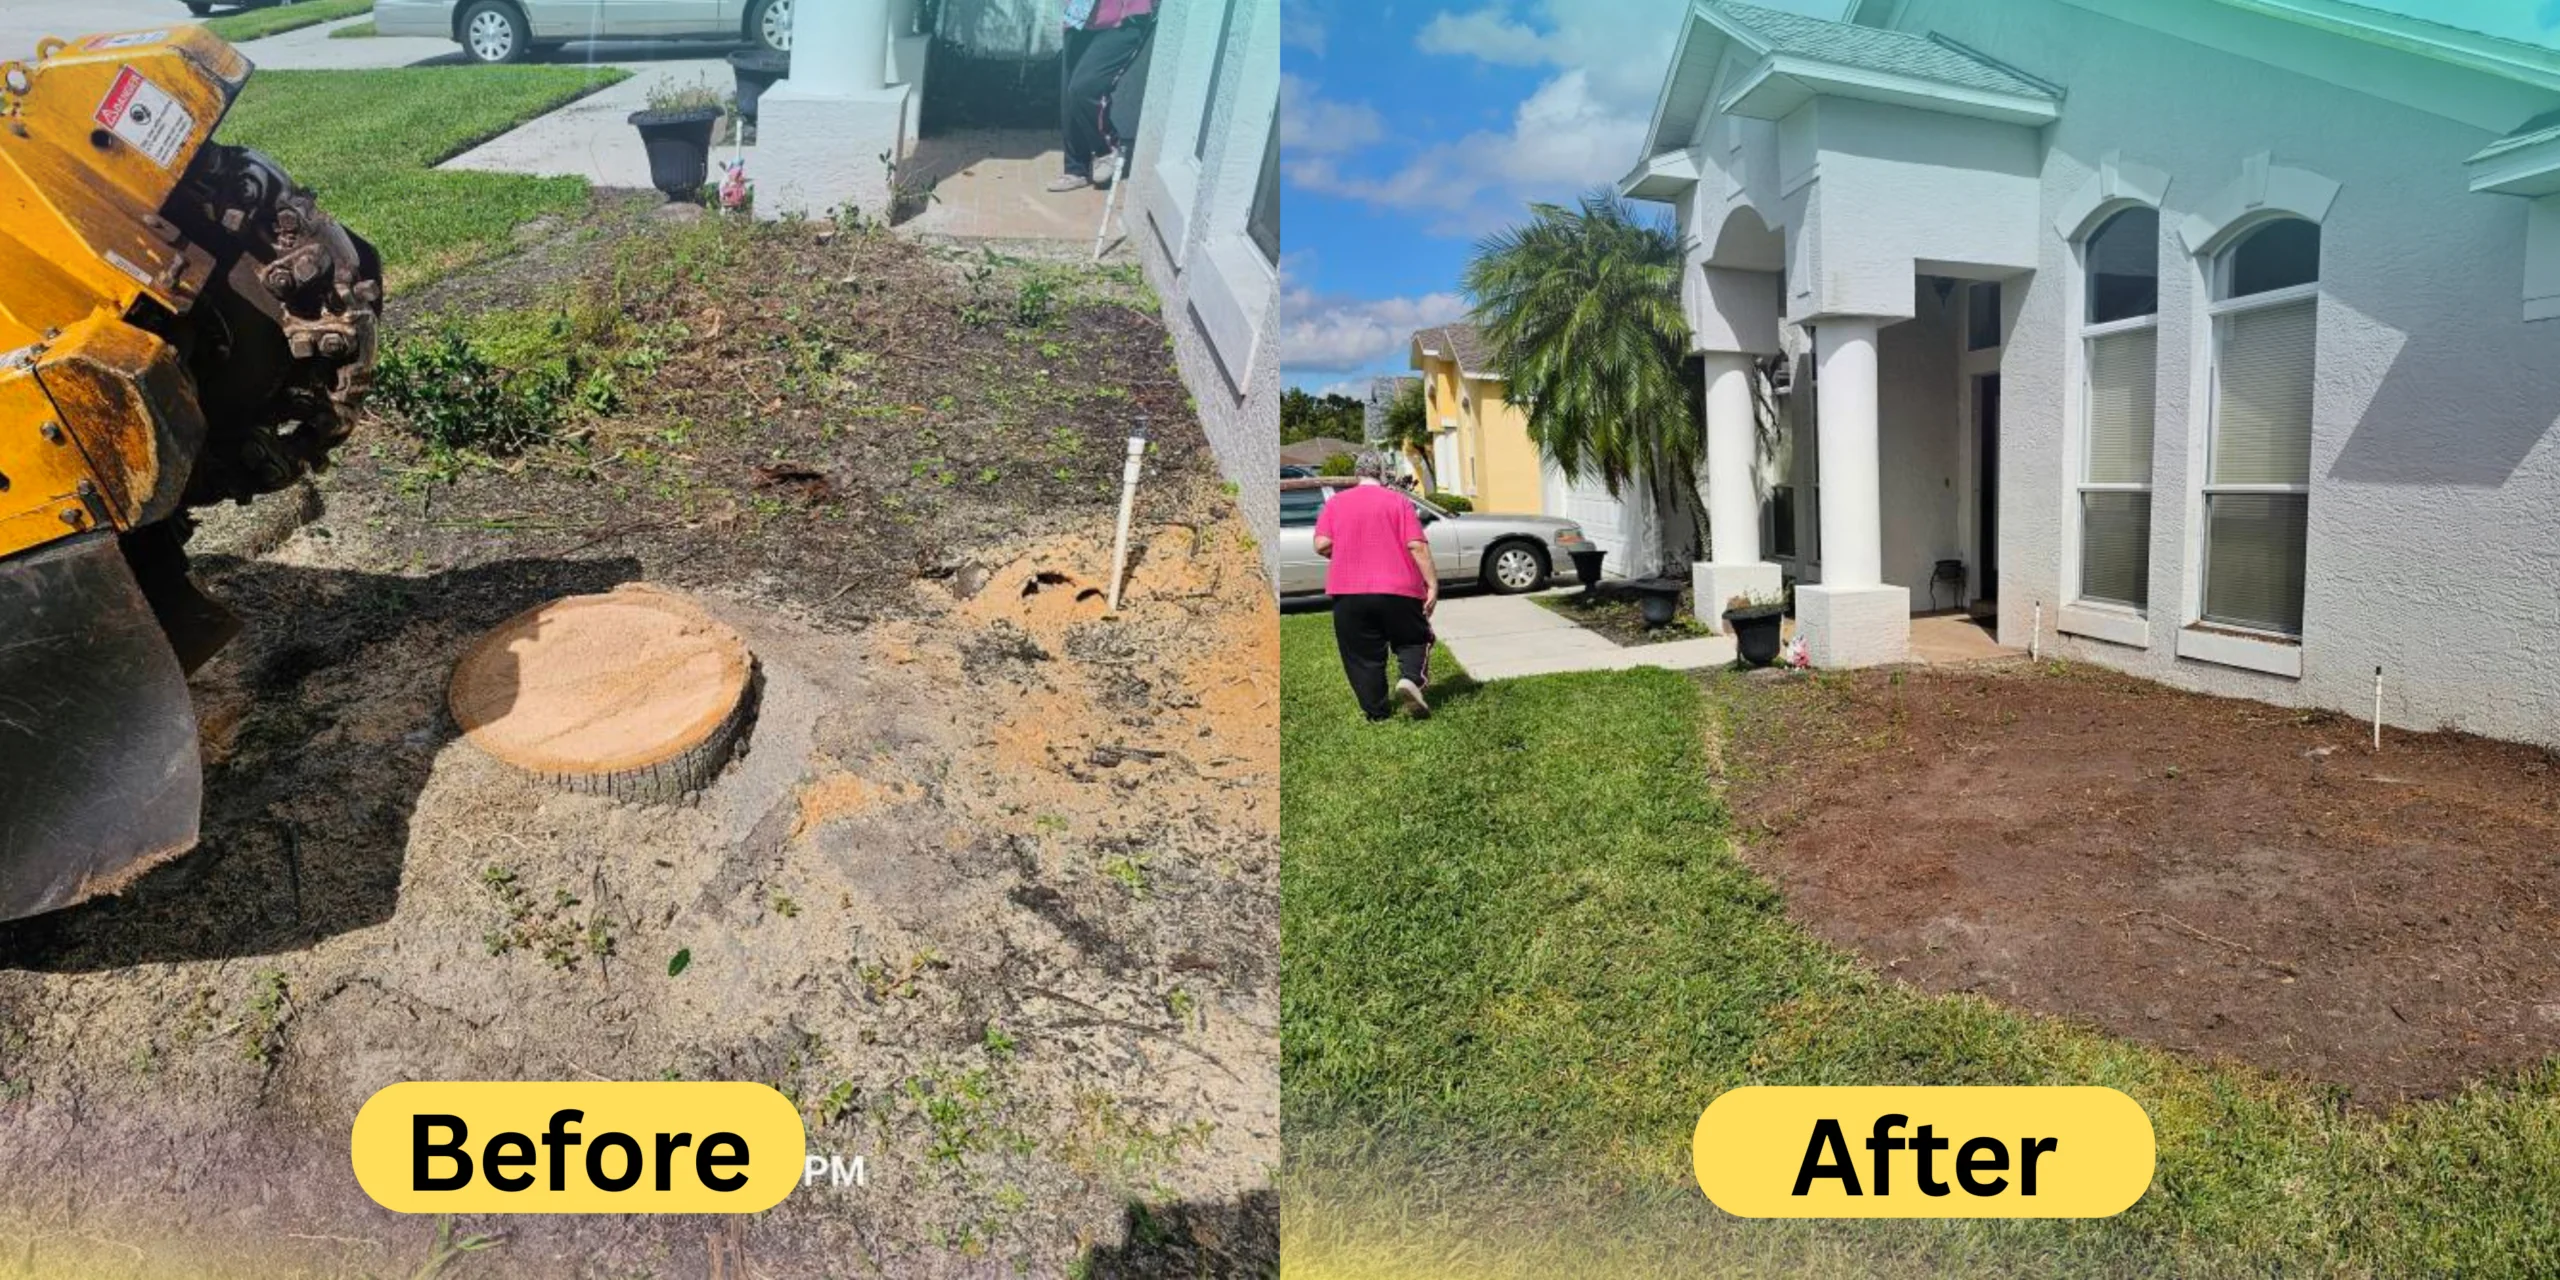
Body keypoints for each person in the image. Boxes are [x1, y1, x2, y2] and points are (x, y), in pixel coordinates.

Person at [1315, 453, 1439, 721]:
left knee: (1361, 654)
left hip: (1348, 590)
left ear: (1357, 474)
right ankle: (1410, 680)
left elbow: (1321, 543)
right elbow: (1416, 545)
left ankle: (1376, 713)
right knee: (1415, 637)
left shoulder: (1336, 503)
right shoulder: (1398, 501)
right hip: (1398, 588)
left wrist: (1346, 549)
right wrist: (1432, 583)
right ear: (1383, 474)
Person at [1051, 0, 1155, 193]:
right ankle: (1076, 169)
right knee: (1070, 94)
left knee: (1085, 88)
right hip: (1079, 16)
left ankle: (1107, 148)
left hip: (1125, 18)